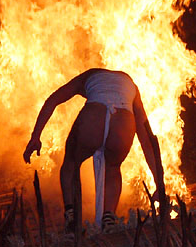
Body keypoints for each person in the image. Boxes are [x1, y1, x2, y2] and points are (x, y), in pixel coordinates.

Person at [23, 68, 165, 232]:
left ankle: (71, 214)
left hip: (94, 116)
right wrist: (159, 183)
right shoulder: (132, 86)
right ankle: (108, 217)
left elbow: (53, 100)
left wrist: (35, 136)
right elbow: (146, 140)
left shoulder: (87, 76)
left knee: (71, 163)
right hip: (123, 121)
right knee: (112, 167)